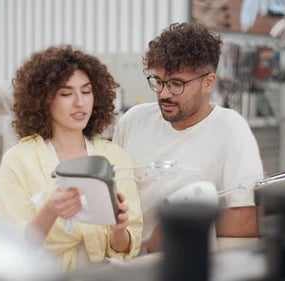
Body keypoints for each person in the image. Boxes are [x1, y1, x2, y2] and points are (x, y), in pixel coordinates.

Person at [112, 22, 263, 253]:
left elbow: (245, 220)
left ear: (208, 82)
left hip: (181, 264)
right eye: (159, 81)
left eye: (176, 84)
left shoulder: (230, 129)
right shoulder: (133, 121)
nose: (163, 94)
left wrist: (178, 229)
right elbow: (112, 197)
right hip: (124, 260)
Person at [0, 45, 143, 270]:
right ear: (43, 99)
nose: (80, 102)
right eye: (66, 93)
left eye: (86, 91)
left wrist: (119, 229)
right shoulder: (18, 161)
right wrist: (50, 211)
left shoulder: (115, 156)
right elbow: (13, 249)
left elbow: (125, 248)